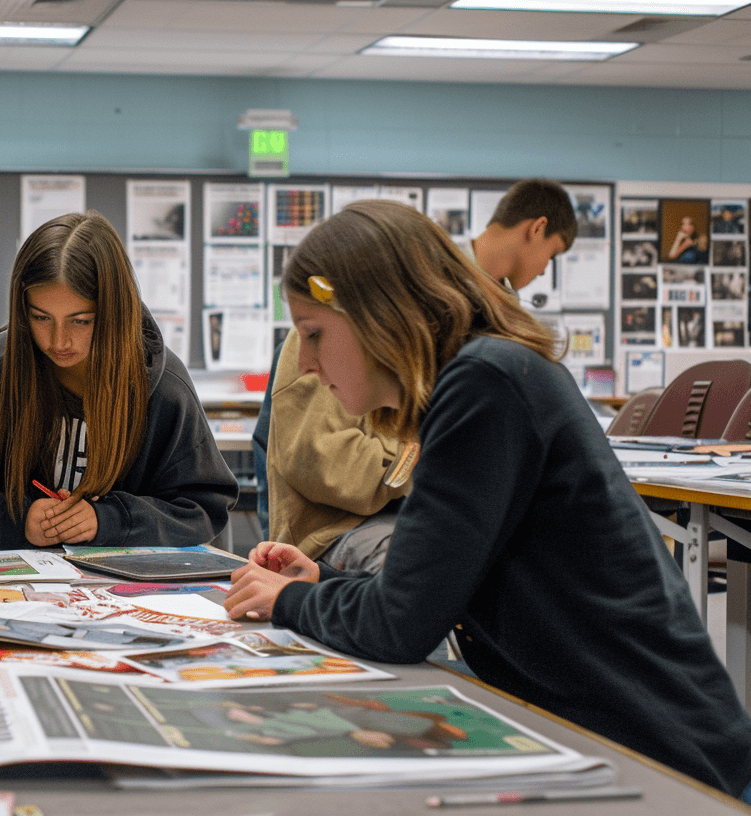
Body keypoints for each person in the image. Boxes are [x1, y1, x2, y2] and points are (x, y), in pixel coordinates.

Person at [225, 200, 751, 799]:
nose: (310, 364)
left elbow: (398, 629)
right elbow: (420, 593)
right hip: (600, 732)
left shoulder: (484, 387)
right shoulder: (482, 377)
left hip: (661, 758)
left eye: (316, 335)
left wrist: (293, 599)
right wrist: (322, 583)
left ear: (378, 315)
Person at [259, 178, 577, 572]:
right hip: (351, 528)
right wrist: (427, 460)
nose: (546, 269)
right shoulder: (337, 331)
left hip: (418, 515)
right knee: (424, 561)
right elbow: (324, 462)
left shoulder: (485, 357)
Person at [0, 211, 236, 548]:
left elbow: (203, 509)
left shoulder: (165, 388)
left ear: (114, 312)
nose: (58, 341)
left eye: (80, 321)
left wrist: (107, 520)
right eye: (41, 317)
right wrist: (18, 520)